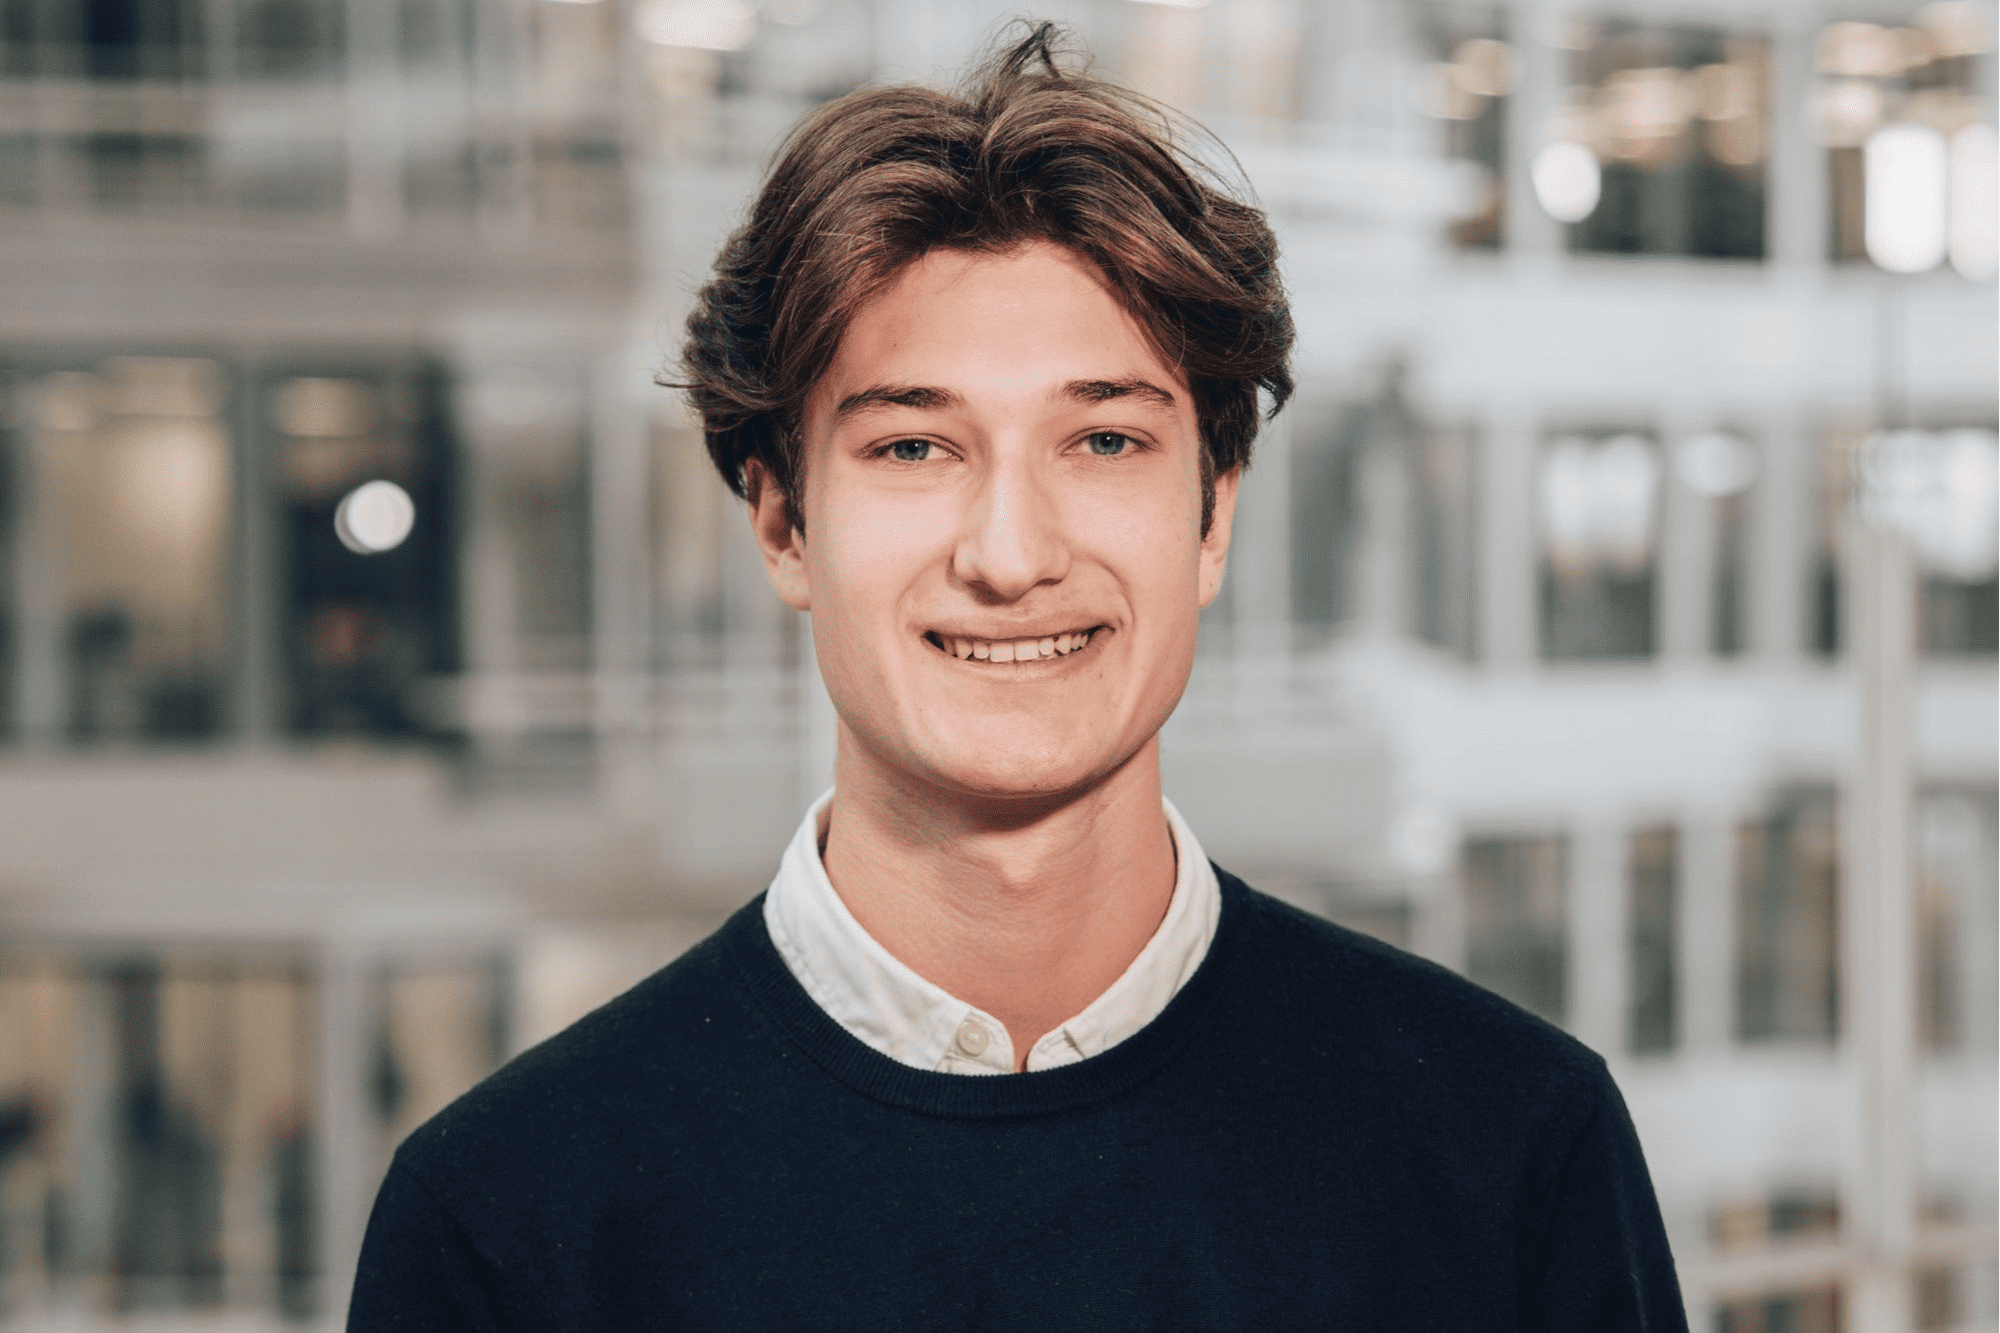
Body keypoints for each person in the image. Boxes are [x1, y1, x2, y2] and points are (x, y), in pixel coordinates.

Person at [349, 24, 1687, 1330]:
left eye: (1102, 442)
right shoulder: (509, 1223)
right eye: (915, 450)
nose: (1011, 553)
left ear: (1213, 515)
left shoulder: (1510, 1149)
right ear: (780, 521)